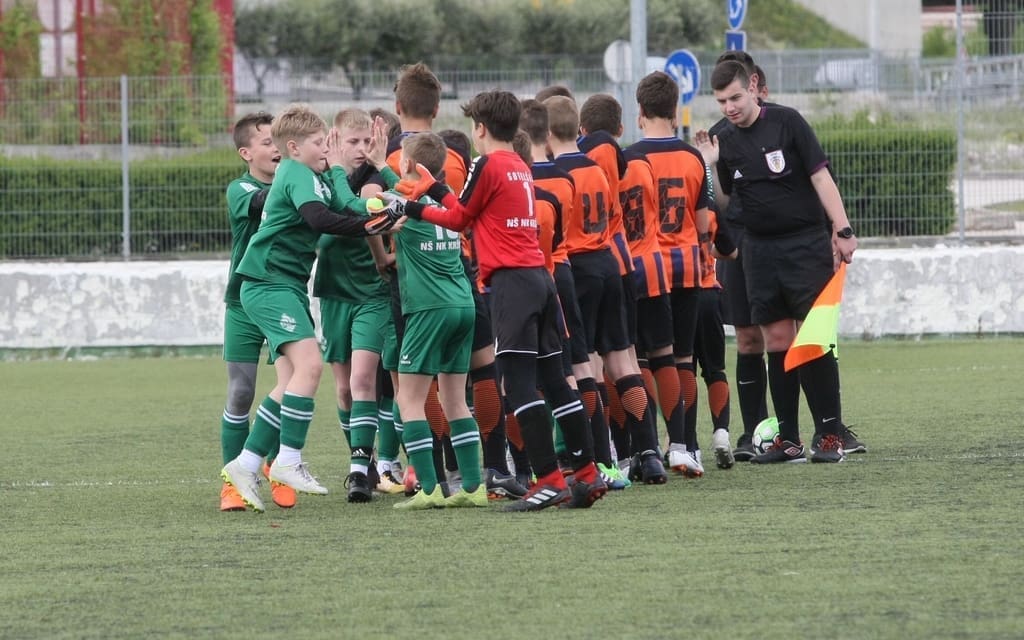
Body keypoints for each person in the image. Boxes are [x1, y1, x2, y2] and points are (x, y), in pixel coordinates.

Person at [386, 89, 607, 511]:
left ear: (480, 128)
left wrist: (413, 208)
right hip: (540, 279)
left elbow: (459, 220)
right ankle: (586, 472)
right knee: (554, 380)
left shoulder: (485, 164)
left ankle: (549, 480)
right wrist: (436, 190)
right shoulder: (519, 165)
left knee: (519, 384)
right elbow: (471, 211)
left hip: (511, 285)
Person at [220, 104, 401, 512]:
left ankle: (246, 464)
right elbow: (321, 219)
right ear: (294, 148)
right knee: (311, 367)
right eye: (321, 143)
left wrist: (390, 203)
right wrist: (374, 224)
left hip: (285, 285)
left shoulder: (317, 175)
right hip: (267, 280)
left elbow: (349, 205)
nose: (327, 148)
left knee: (292, 380)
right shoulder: (295, 173)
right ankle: (287, 460)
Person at [695, 59, 856, 463]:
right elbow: (726, 204)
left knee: (813, 338)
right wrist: (710, 165)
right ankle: (789, 439)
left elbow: (820, 176)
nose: (729, 107)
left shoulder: (788, 122)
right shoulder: (722, 140)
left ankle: (830, 435)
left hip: (805, 245)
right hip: (759, 251)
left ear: (753, 87)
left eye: (735, 97)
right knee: (778, 341)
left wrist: (842, 229)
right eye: (721, 101)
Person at [544, 95, 666, 485]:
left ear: (547, 133)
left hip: (577, 267)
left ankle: (600, 460)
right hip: (610, 264)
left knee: (587, 367)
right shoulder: (597, 169)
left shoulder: (556, 173)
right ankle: (650, 453)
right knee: (624, 362)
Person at [387, 132, 488, 510]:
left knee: (409, 398)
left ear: (407, 165)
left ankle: (428, 489)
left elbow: (370, 209)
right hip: (463, 304)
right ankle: (474, 487)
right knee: (455, 399)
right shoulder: (448, 201)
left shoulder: (400, 203)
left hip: (429, 308)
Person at [627, 72, 716, 477]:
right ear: (675, 110)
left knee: (644, 359)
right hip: (686, 265)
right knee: (683, 358)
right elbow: (703, 221)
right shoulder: (694, 158)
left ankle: (647, 444)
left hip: (648, 267)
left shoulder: (631, 157)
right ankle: (687, 445)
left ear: (640, 111)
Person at [313, 108, 402, 502]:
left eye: (367, 141)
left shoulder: (374, 181)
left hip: (372, 293)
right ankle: (364, 461)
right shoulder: (318, 180)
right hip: (334, 292)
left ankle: (361, 472)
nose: (362, 148)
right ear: (335, 140)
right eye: (353, 141)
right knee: (344, 390)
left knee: (363, 379)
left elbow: (366, 208)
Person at [219, 112, 296, 511]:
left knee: (291, 383)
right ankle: (233, 483)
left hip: (283, 297)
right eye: (267, 142)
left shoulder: (294, 182)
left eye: (278, 142)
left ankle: (279, 467)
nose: (276, 149)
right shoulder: (241, 189)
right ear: (245, 153)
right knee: (241, 391)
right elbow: (266, 202)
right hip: (243, 301)